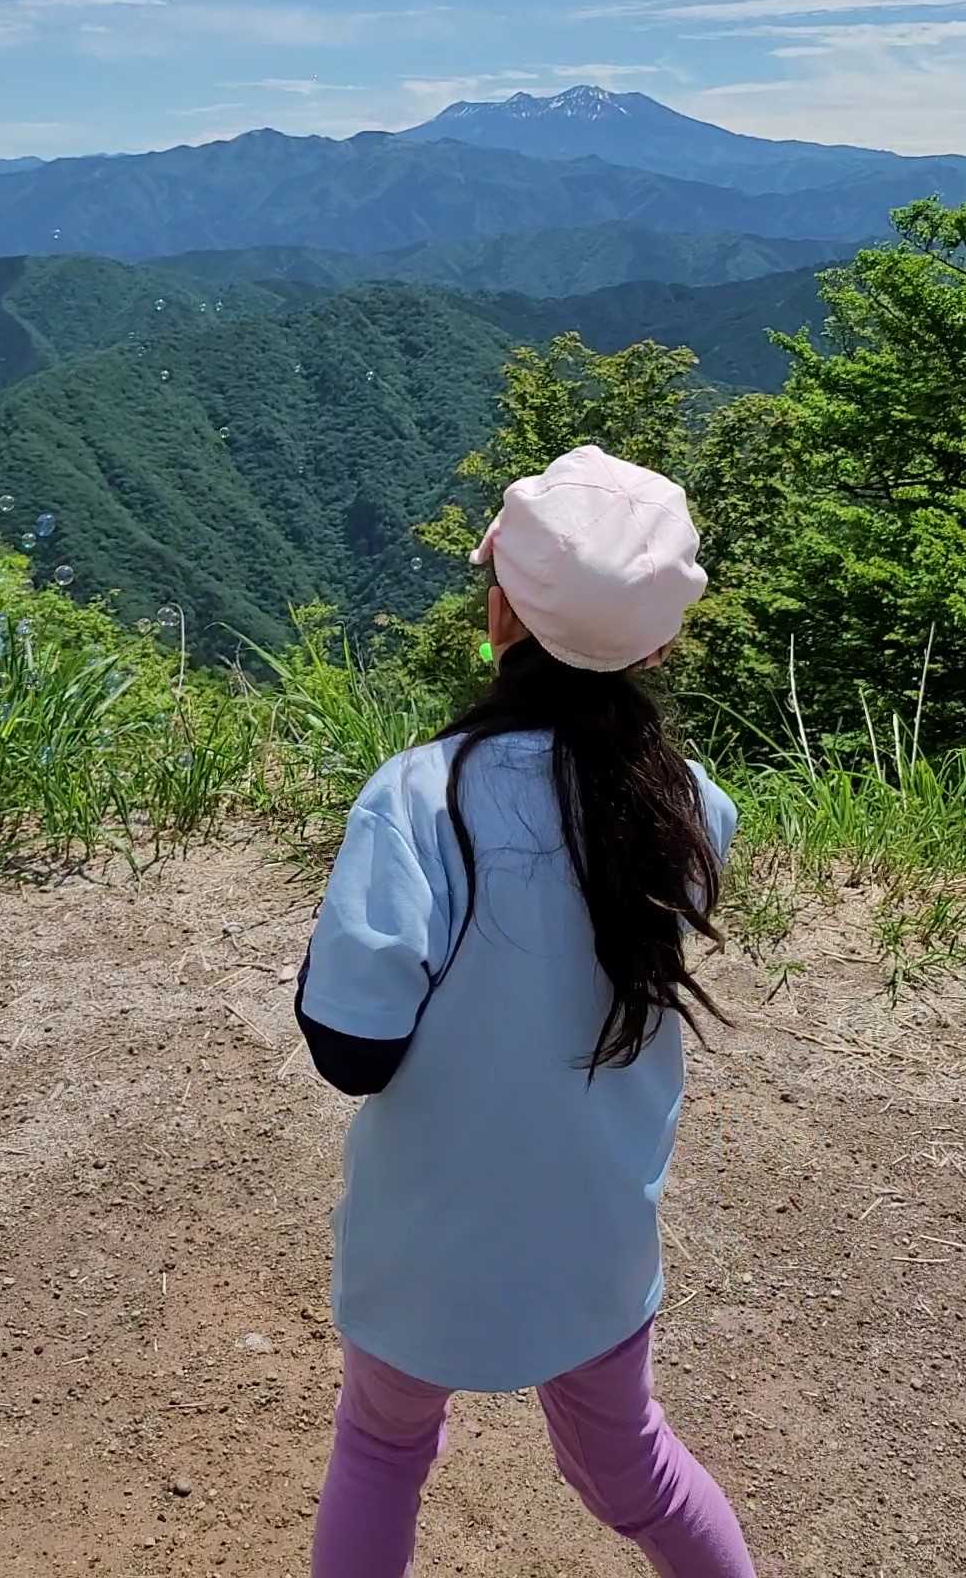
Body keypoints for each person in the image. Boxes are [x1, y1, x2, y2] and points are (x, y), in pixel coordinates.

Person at [295, 445, 757, 1578]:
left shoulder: (420, 795)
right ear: (659, 645)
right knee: (634, 1470)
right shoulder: (693, 810)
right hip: (594, 1239)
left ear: (498, 610)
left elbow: (353, 1049)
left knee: (381, 1449)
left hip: (425, 1243)